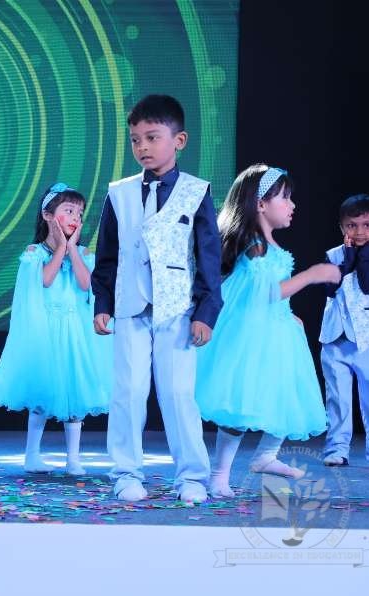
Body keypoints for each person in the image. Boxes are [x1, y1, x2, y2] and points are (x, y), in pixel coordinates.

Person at [91, 94, 222, 503]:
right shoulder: (119, 193)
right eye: (135, 140)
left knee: (178, 393)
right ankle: (126, 473)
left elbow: (208, 257)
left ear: (178, 140)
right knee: (128, 392)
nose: (142, 147)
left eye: (152, 137)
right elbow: (107, 255)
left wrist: (206, 312)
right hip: (130, 307)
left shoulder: (196, 192)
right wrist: (103, 304)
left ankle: (192, 477)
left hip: (178, 309)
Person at [196, 164, 341, 497]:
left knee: (286, 392)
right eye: (285, 198)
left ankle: (265, 456)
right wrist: (312, 275)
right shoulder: (254, 244)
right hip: (251, 335)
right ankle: (219, 475)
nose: (292, 205)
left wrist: (289, 315)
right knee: (241, 401)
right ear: (261, 204)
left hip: (276, 330)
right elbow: (266, 292)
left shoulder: (269, 245)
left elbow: (270, 295)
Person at [0, 183, 112, 475]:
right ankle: (32, 455)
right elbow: (45, 280)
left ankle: (73, 459)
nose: (75, 218)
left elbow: (86, 284)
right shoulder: (35, 252)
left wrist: (73, 249)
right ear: (47, 215)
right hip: (46, 332)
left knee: (75, 394)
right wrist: (61, 249)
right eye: (69, 210)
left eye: (79, 213)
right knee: (42, 393)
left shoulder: (83, 252)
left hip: (75, 333)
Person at [319, 194, 369, 468]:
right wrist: (347, 259)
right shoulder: (333, 255)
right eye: (352, 225)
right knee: (337, 399)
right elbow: (330, 287)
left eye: (367, 225)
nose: (359, 231)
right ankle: (336, 448)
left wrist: (366, 253)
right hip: (336, 338)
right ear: (342, 227)